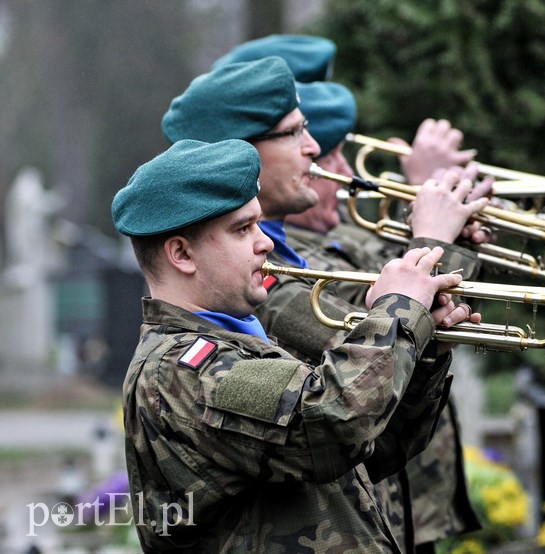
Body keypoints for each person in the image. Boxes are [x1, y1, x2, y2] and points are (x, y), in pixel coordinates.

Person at [111, 138, 478, 552]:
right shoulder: (180, 368)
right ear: (181, 253)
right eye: (242, 229)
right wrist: (399, 312)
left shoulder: (239, 342)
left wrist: (424, 347)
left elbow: (376, 448)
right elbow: (331, 421)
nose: (265, 242)